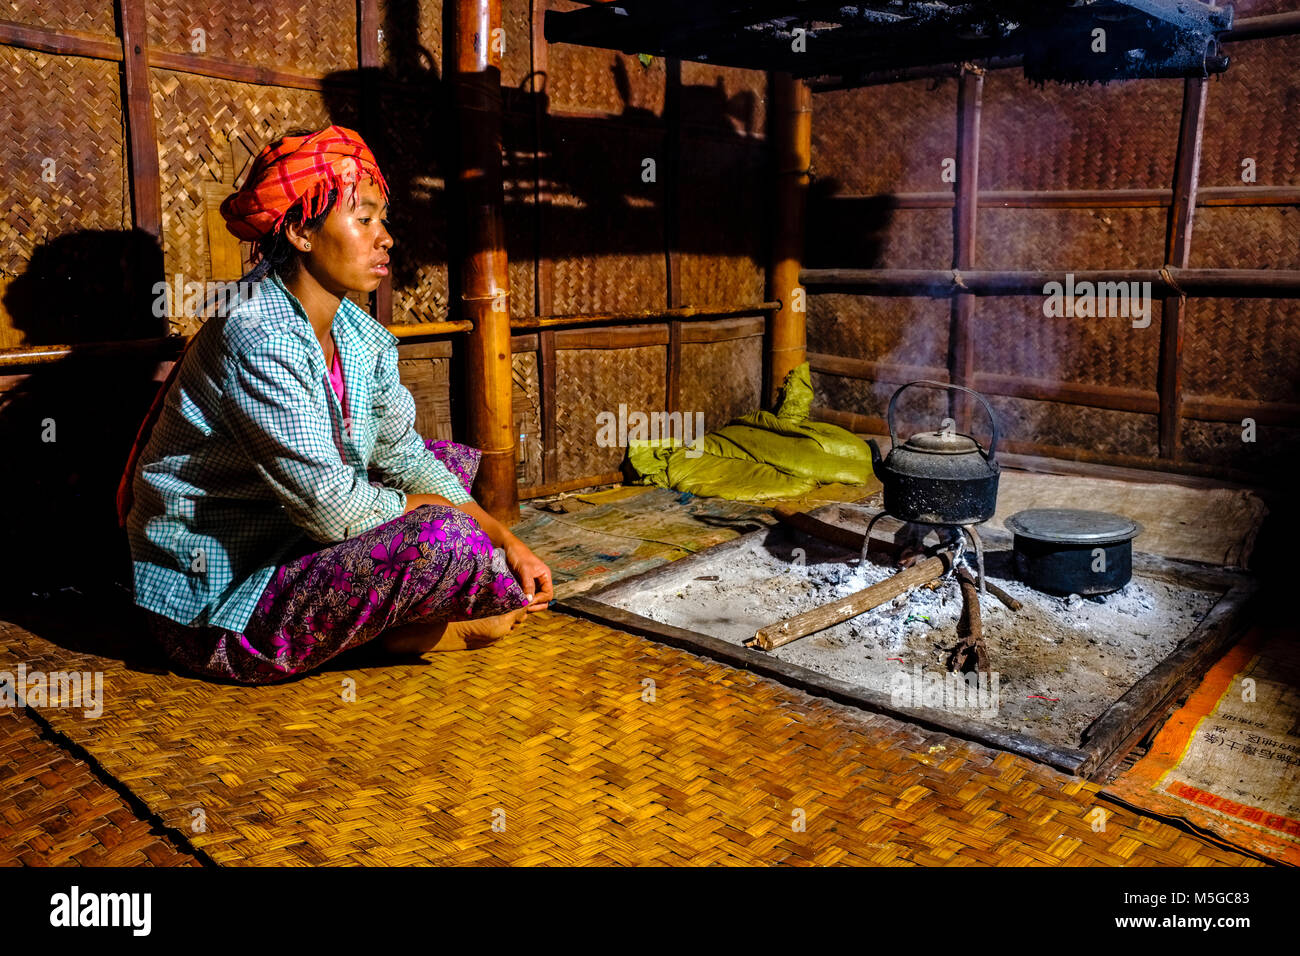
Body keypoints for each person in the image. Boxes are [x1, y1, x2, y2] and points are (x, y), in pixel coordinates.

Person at [119, 125, 553, 684]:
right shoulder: (258, 333)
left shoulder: (358, 335)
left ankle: (408, 620)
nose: (386, 237)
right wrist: (433, 512)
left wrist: (508, 542)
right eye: (364, 218)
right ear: (301, 230)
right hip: (218, 602)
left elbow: (407, 458)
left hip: (294, 542)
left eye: (384, 220)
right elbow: (332, 510)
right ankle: (419, 631)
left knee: (448, 465)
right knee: (443, 536)